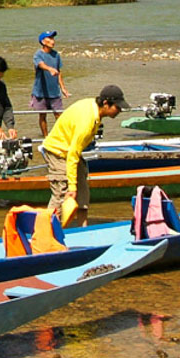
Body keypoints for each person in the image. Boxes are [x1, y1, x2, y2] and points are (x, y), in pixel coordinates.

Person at [41, 84, 127, 225]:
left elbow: (74, 151)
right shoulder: (87, 122)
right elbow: (73, 154)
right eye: (117, 107)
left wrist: (76, 186)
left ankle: (83, 228)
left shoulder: (94, 109)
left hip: (70, 151)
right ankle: (45, 231)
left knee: (83, 192)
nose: (119, 110)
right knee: (63, 194)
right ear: (106, 103)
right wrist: (72, 187)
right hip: (58, 151)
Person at [29, 30, 70, 135]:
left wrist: (63, 88)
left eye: (53, 38)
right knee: (42, 116)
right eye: (50, 38)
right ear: (43, 42)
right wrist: (49, 69)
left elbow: (59, 72)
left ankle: (61, 136)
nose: (53, 41)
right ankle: (45, 137)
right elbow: (41, 64)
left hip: (54, 92)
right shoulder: (38, 54)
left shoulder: (56, 55)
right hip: (40, 92)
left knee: (59, 115)